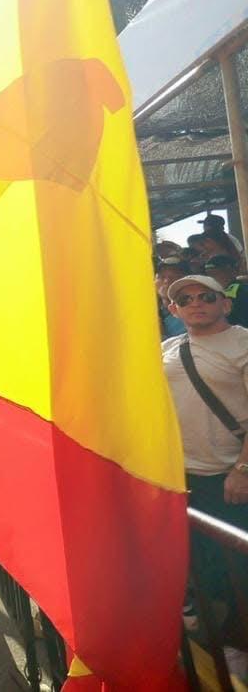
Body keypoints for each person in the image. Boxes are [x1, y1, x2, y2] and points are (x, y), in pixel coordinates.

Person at [161, 274, 248, 667]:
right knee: (205, 560)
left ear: (224, 303)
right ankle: (223, 638)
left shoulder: (242, 344)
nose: (196, 303)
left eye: (206, 296)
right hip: (182, 476)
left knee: (238, 565)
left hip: (230, 476)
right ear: (174, 309)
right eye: (185, 299)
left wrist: (243, 468)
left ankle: (238, 645)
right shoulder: (168, 348)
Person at [156, 257, 191, 339]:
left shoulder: (196, 310)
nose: (166, 281)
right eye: (161, 277)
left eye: (174, 277)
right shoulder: (146, 310)